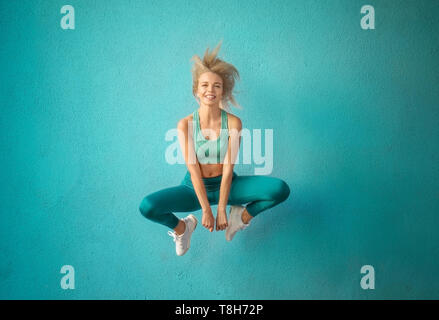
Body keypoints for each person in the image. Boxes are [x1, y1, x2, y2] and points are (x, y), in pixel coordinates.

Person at [139, 41, 291, 256]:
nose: (210, 90)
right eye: (204, 85)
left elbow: (228, 169)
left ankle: (241, 217)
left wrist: (221, 209)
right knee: (147, 206)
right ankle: (183, 229)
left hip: (227, 185)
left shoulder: (234, 123)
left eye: (216, 86)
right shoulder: (185, 125)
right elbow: (193, 170)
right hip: (194, 188)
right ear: (196, 91)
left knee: (279, 190)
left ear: (223, 92)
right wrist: (206, 210)